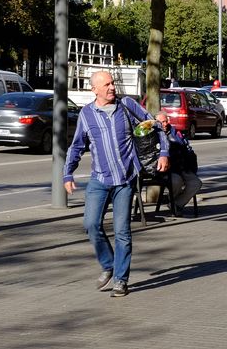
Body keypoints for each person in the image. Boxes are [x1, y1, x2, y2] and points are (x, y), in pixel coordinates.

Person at [63, 70, 170, 298]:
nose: (112, 87)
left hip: (125, 179)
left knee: (122, 232)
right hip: (99, 180)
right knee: (91, 224)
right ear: (95, 89)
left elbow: (156, 125)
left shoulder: (127, 106)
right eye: (107, 84)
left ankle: (121, 280)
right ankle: (108, 264)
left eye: (113, 83)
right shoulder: (87, 114)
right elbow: (76, 146)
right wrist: (67, 174)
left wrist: (164, 153)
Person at [155, 112, 202, 214]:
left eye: (166, 121)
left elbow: (188, 150)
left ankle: (176, 204)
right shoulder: (153, 135)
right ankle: (172, 201)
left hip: (182, 167)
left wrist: (191, 168)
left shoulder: (176, 133)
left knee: (196, 183)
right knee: (177, 181)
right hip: (166, 170)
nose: (165, 124)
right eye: (161, 122)